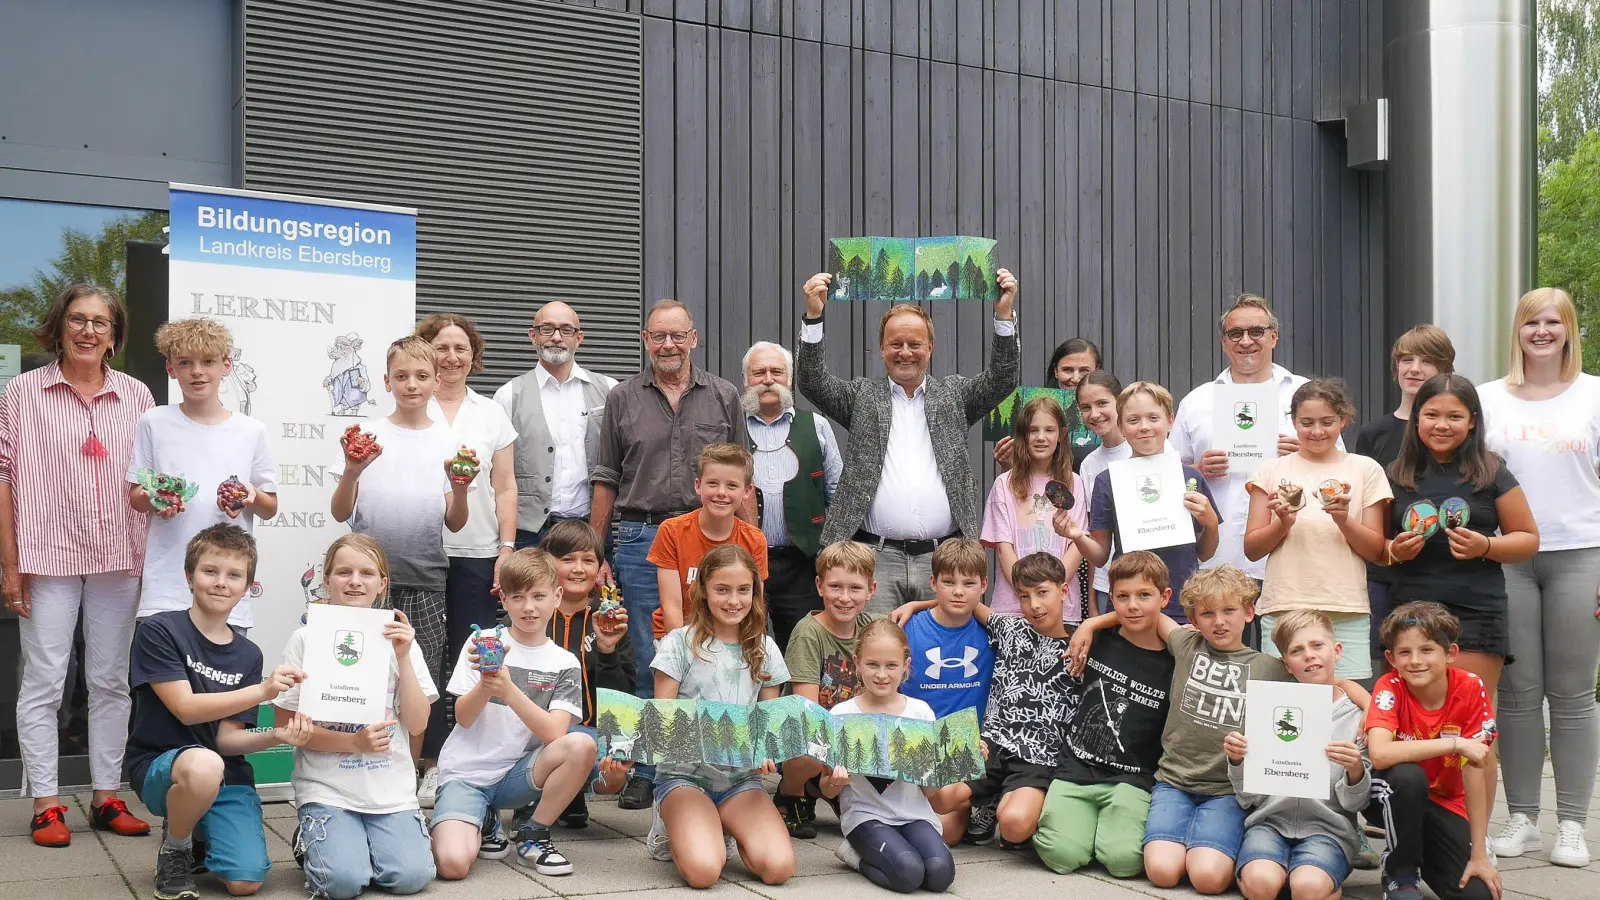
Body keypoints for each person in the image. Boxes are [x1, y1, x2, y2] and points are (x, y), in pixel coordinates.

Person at [1, 283, 155, 845]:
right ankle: (46, 803)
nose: (88, 331)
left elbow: (150, 478)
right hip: (46, 555)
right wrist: (10, 564)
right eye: (77, 319)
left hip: (118, 554)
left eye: (100, 322)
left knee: (110, 681)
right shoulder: (22, 392)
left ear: (114, 335)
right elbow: (2, 479)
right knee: (44, 679)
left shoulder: (137, 395)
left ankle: (106, 796)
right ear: (59, 326)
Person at [796, 270, 1020, 613]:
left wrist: (1003, 315)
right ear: (882, 348)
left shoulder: (954, 396)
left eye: (915, 344)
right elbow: (812, 382)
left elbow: (1002, 379)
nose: (905, 353)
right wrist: (814, 315)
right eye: (895, 344)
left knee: (939, 647)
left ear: (930, 348)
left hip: (943, 560)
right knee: (876, 647)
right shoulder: (862, 397)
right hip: (873, 559)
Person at [1066, 566, 1291, 895]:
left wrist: (1358, 699)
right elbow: (1146, 612)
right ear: (1193, 619)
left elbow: (1322, 684)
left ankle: (1227, 853)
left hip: (1226, 791)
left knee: (1207, 879)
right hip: (1174, 783)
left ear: (1248, 612)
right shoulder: (1186, 644)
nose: (1219, 622)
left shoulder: (1268, 668)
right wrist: (1090, 624)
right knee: (1162, 872)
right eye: (1207, 613)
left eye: (1229, 611)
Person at [1477, 288, 1600, 868]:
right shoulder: (1487, 399)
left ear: (1569, 329)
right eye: (1532, 322)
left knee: (1573, 695)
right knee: (1518, 694)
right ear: (1518, 331)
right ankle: (1523, 817)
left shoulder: (1594, 394)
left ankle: (1572, 823)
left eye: (1553, 321)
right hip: (1506, 558)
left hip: (1581, 554)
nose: (1542, 332)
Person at [123, 525, 312, 899]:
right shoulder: (159, 630)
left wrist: (277, 736)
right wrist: (262, 691)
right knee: (204, 764)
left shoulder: (248, 654)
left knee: (246, 882)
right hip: (162, 766)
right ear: (189, 576)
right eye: (210, 571)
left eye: (234, 575)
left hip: (224, 773)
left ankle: (199, 832)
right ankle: (176, 848)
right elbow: (186, 709)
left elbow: (225, 740)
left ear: (248, 587)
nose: (221, 583)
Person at [590, 299, 745, 718]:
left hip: (712, 537)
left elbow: (741, 476)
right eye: (658, 336)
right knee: (649, 653)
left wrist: (748, 541)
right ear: (645, 340)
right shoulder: (621, 398)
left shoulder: (724, 395)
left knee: (720, 643)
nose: (668, 345)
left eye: (677, 335)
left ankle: (709, 740)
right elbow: (606, 477)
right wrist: (597, 551)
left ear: (693, 339)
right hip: (642, 538)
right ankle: (652, 751)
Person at [330, 336, 468, 792]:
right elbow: (340, 511)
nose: (412, 384)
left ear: (437, 381)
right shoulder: (366, 436)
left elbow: (455, 521)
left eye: (422, 376)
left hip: (426, 579)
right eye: (402, 376)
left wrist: (460, 489)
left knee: (418, 681)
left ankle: (406, 776)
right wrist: (352, 470)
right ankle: (349, 768)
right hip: (366, 584)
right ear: (386, 382)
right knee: (357, 674)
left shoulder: (448, 440)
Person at [275, 535, 437, 899]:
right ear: (327, 580)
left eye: (367, 573)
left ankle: (357, 844)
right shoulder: (305, 639)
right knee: (342, 883)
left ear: (382, 584)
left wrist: (403, 657)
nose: (355, 581)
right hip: (328, 787)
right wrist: (353, 742)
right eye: (344, 572)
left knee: (411, 877)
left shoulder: (401, 642)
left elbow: (417, 724)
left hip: (389, 789)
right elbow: (285, 726)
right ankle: (317, 838)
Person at [429, 549, 596, 879]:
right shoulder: (483, 641)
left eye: (538, 596)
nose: (528, 607)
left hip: (518, 775)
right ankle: (485, 819)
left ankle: (535, 833)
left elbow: (554, 733)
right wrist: (486, 685)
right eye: (518, 597)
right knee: (452, 864)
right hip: (466, 774)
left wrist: (508, 690)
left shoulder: (565, 662)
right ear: (503, 600)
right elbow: (463, 717)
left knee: (581, 745)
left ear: (557, 596)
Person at [642, 545, 795, 889]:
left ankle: (721, 823)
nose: (733, 600)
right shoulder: (678, 643)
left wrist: (766, 753)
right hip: (684, 776)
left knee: (778, 868)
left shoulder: (766, 648)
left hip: (740, 780)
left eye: (743, 590)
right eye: (722, 590)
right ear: (703, 591)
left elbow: (766, 723)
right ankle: (672, 826)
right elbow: (661, 720)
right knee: (704, 872)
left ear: (755, 592)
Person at [1173, 296, 1326, 641]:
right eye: (1235, 333)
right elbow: (1170, 474)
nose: (1246, 341)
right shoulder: (1197, 401)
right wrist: (1198, 469)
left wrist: (1307, 453)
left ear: (1274, 337)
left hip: (1291, 556)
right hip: (1218, 559)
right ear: (1224, 342)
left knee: (1288, 658)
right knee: (1224, 659)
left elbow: (1339, 469)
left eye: (1256, 331)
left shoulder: (1306, 394)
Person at [414, 313, 519, 805]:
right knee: (421, 658)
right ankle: (427, 760)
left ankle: (464, 760)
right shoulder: (411, 406)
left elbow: (506, 486)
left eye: (461, 348)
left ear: (473, 357)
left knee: (468, 655)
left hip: (477, 550)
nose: (451, 357)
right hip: (417, 550)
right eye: (441, 347)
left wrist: (506, 547)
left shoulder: (491, 413)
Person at [131, 318, 279, 631]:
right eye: (185, 363)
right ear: (171, 369)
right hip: (166, 589)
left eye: (208, 361)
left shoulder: (251, 431)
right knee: (160, 663)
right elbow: (136, 498)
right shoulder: (153, 422)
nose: (197, 372)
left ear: (226, 366)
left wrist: (251, 496)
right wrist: (156, 498)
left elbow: (269, 507)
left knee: (225, 665)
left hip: (226, 591)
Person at [1033, 552, 1175, 878]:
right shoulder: (1094, 640)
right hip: (1077, 769)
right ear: (1111, 598)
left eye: (1144, 595)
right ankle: (1080, 830)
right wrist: (1091, 623)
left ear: (1165, 597)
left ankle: (1104, 834)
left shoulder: (1174, 660)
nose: (1133, 605)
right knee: (1061, 856)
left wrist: (1094, 619)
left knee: (1124, 862)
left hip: (1131, 777)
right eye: (1123, 597)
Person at [1243, 378, 1390, 681]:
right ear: (1293, 422)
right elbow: (1252, 549)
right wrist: (1283, 524)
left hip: (1346, 607)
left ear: (1343, 420)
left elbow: (1376, 550)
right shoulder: (1271, 470)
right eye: (1307, 423)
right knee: (1283, 700)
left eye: (1327, 422)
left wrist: (1343, 520)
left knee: (1347, 699)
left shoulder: (1366, 469)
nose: (1317, 431)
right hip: (1284, 606)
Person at [929, 553, 1077, 849]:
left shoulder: (1080, 646)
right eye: (1024, 596)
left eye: (1042, 593)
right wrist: (916, 605)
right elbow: (966, 602)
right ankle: (985, 796)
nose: (1034, 605)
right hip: (991, 744)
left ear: (1063, 591)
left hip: (1037, 757)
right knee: (942, 799)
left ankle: (1000, 800)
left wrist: (1092, 625)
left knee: (1014, 825)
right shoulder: (1010, 629)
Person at [1225, 610, 1371, 900]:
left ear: (1337, 651)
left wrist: (1355, 769)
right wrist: (1237, 760)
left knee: (1307, 888)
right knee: (1261, 884)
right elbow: (1246, 796)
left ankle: (1319, 884)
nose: (1309, 655)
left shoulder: (1358, 719)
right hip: (1269, 823)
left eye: (1317, 645)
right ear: (1287, 665)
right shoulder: (1268, 708)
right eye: (1297, 651)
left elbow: (1357, 803)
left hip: (1329, 831)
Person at [1365, 602, 1500, 900]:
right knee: (1409, 776)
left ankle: (1420, 851)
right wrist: (1456, 743)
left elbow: (1474, 769)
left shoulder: (1471, 687)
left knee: (1479, 895)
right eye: (1404, 652)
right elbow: (1380, 754)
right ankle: (1400, 871)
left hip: (1446, 802)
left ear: (1450, 653)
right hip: (1389, 793)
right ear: (1391, 658)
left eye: (1427, 650)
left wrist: (1479, 854)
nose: (1415, 661)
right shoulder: (1389, 686)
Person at [506, 520, 633, 838]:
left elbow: (621, 702)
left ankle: (571, 794)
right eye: (568, 559)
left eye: (588, 560)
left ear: (599, 568)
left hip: (587, 734)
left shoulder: (610, 619)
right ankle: (530, 801)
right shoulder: (530, 616)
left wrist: (607, 651)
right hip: (532, 735)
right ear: (548, 563)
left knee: (614, 774)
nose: (578, 569)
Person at [1058, 381, 1221, 621]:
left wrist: (1211, 523)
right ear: (1121, 427)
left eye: (1153, 418)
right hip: (1128, 605)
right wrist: (1078, 536)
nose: (1144, 427)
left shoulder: (1190, 478)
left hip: (1182, 605)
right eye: (1133, 420)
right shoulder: (1107, 481)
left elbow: (1205, 553)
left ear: (1170, 421)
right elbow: (1100, 555)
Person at [819, 619, 957, 894]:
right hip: (866, 816)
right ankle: (854, 856)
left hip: (914, 814)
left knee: (940, 874)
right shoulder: (841, 715)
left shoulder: (921, 713)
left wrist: (957, 760)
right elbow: (826, 787)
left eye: (891, 665)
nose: (881, 674)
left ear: (906, 665)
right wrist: (836, 781)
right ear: (857, 664)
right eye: (872, 665)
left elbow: (930, 791)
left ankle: (894, 852)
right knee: (908, 873)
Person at [1356, 326, 1456, 675]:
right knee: (1386, 672)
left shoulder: (1455, 430)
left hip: (1445, 570)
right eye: (1406, 360)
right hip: (1385, 574)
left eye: (1427, 361)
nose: (1414, 369)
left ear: (1445, 369)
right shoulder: (1374, 434)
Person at [741, 340, 844, 650]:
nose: (768, 379)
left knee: (801, 649)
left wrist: (827, 553)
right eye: (759, 372)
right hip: (742, 562)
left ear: (789, 378)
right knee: (744, 648)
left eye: (777, 371)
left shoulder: (817, 426)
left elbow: (837, 493)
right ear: (746, 380)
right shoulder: (731, 424)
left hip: (802, 563)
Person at [894, 538, 995, 845]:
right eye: (948, 582)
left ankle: (977, 802)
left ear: (984, 585)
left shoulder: (993, 634)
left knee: (944, 833)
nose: (958, 591)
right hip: (916, 742)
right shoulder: (906, 628)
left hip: (964, 745)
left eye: (969, 583)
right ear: (933, 583)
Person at [492, 301, 618, 548]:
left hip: (591, 529)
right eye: (547, 329)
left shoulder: (609, 390)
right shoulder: (508, 395)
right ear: (533, 336)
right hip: (528, 533)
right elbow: (497, 476)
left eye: (566, 330)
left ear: (579, 338)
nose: (557, 337)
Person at [777, 539, 879, 837]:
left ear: (871, 590)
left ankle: (820, 788)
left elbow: (940, 607)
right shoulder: (808, 633)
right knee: (809, 754)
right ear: (819, 586)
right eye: (835, 587)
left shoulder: (874, 627)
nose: (845, 597)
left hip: (852, 735)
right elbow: (808, 713)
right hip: (810, 736)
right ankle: (791, 792)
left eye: (855, 588)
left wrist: (916, 604)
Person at [981, 394, 1088, 621]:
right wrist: (1027, 594)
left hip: (1061, 609)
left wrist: (1050, 594)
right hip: (1014, 608)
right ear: (1023, 436)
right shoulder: (1004, 484)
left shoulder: (1075, 483)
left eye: (1049, 430)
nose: (1041, 437)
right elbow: (1004, 548)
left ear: (1061, 435)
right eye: (1033, 430)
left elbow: (1076, 548)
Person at [648, 443, 769, 639]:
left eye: (732, 486)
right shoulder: (672, 531)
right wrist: (683, 651)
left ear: (747, 491)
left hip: (732, 638)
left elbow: (754, 605)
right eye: (712, 483)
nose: (721, 492)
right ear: (698, 485)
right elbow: (672, 607)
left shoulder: (754, 540)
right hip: (680, 636)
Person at [993, 337, 1104, 470]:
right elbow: (1018, 475)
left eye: (1084, 371)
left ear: (1097, 370)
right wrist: (1009, 465)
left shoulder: (1111, 411)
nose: (1075, 378)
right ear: (1056, 371)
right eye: (1068, 370)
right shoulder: (1033, 410)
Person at [1075, 371, 1128, 613]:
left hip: (1149, 580)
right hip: (1107, 584)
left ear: (1120, 401)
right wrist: (1092, 596)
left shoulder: (1149, 449)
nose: (1094, 414)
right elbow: (1095, 534)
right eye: (1086, 407)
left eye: (1102, 403)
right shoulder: (1089, 465)